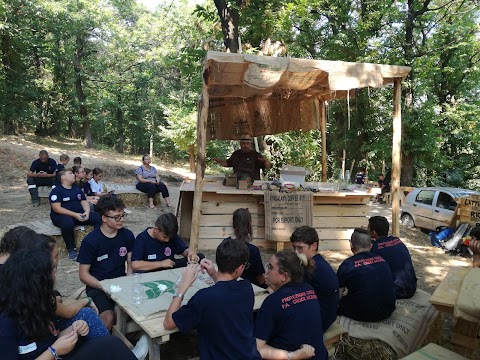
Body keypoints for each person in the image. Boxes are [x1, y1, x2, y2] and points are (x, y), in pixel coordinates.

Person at [0, 248, 141, 360]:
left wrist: (73, 329)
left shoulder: (39, 301)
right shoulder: (6, 323)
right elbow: (49, 348)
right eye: (52, 271)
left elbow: (50, 338)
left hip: (57, 355)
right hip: (54, 355)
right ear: (36, 281)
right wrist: (54, 352)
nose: (55, 275)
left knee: (111, 344)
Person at [164, 239, 262, 359]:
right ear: (240, 268)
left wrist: (183, 286)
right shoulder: (246, 288)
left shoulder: (204, 298)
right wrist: (214, 274)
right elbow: (225, 291)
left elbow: (168, 323)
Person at [255, 250, 327, 360]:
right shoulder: (309, 289)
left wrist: (290, 356)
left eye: (270, 267)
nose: (266, 270)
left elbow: (257, 349)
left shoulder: (272, 302)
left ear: (284, 276)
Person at [77, 195, 134, 331]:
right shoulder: (91, 241)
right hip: (98, 286)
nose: (121, 220)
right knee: (108, 317)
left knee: (134, 311)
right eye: (116, 217)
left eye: (122, 215)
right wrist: (104, 287)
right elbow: (83, 275)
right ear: (104, 218)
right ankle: (98, 346)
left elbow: (131, 263)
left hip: (120, 283)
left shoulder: (127, 235)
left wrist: (128, 279)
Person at [337, 228, 396, 322]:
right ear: (371, 245)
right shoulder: (382, 260)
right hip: (388, 310)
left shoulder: (346, 265)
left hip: (363, 314)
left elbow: (338, 296)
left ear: (351, 245)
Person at [290, 226, 339, 331]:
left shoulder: (313, 269)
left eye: (300, 248)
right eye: (294, 247)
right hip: (324, 315)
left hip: (319, 321)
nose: (296, 252)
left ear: (314, 246)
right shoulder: (317, 262)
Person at [50, 170, 102, 260]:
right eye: (70, 173)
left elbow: (84, 201)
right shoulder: (56, 191)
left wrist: (87, 212)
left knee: (99, 217)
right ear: (63, 177)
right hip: (62, 216)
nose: (73, 175)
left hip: (79, 214)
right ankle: (71, 249)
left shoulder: (76, 188)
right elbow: (56, 208)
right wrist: (74, 214)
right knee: (67, 223)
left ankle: (97, 242)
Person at [132, 212, 203, 272]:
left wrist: (189, 253)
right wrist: (161, 264)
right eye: (164, 237)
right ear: (156, 229)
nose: (167, 240)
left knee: (200, 257)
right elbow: (135, 265)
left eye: (170, 237)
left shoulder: (171, 236)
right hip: (151, 271)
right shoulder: (142, 239)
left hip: (170, 267)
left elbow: (183, 250)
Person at [368, 216, 417, 299]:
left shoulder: (374, 249)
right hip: (412, 286)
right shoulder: (397, 240)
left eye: (368, 228)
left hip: (398, 290)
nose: (367, 231)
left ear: (373, 232)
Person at [224, 208, 266, 287]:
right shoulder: (253, 251)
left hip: (228, 285)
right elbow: (261, 280)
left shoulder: (225, 244)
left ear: (233, 224)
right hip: (249, 289)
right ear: (249, 226)